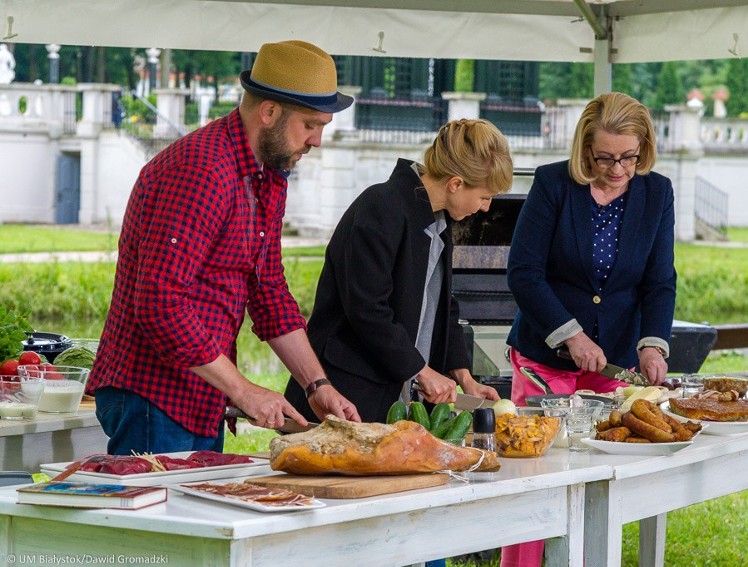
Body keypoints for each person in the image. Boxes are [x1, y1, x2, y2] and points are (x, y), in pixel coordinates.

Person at [89, 40, 361, 456]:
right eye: (310, 124)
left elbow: (268, 291)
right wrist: (246, 390)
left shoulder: (267, 173)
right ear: (268, 112)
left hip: (200, 392)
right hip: (153, 395)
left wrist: (317, 386)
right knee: (163, 520)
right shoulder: (202, 170)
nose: (317, 140)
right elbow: (159, 303)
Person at [501, 92, 676, 567]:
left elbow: (660, 282)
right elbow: (524, 272)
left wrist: (652, 346)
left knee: (605, 474)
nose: (618, 169)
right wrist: (571, 335)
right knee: (534, 475)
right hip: (543, 356)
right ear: (585, 148)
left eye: (628, 157)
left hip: (616, 360)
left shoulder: (657, 192)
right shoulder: (554, 183)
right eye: (605, 158)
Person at [284, 119, 512, 424]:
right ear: (455, 184)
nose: (486, 207)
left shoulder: (438, 222)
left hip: (394, 398)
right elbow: (368, 309)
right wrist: (420, 369)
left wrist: (464, 378)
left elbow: (443, 305)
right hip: (345, 394)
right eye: (485, 196)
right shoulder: (381, 206)